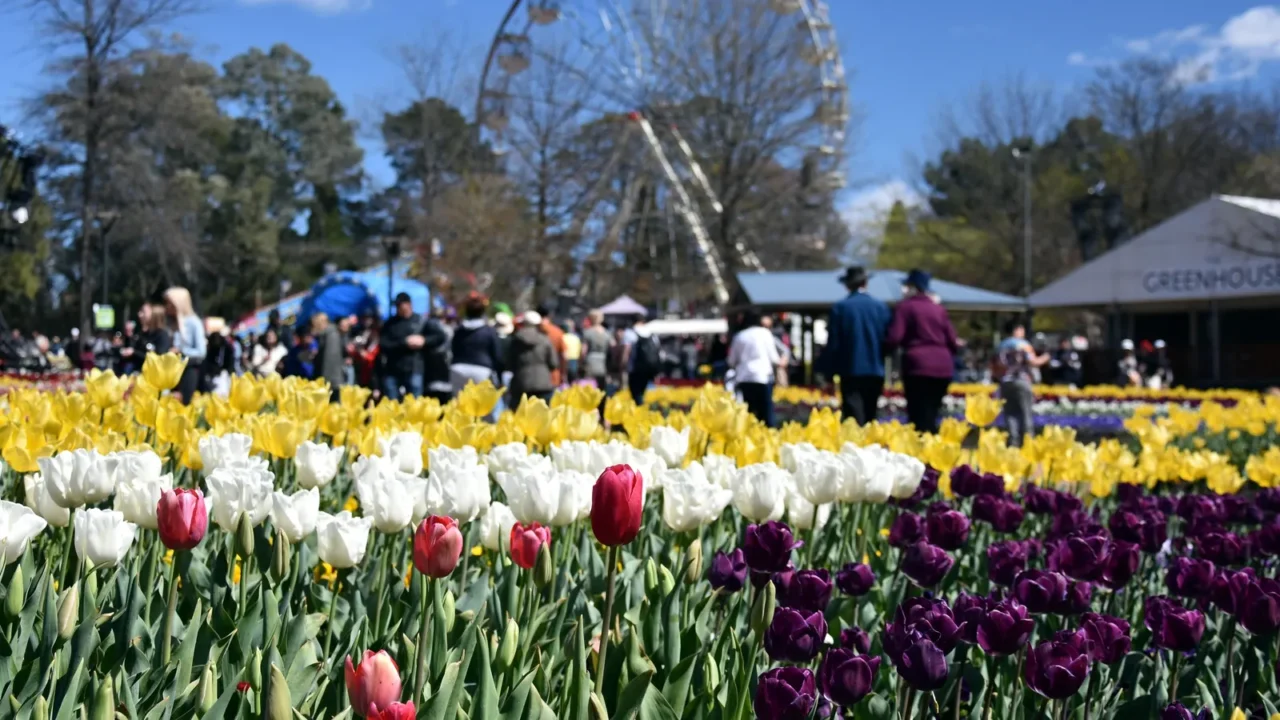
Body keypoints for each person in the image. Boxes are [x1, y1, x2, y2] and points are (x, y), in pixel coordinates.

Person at [885, 269, 958, 434]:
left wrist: (885, 349)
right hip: (942, 366)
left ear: (912, 287)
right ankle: (932, 444)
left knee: (918, 413)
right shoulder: (938, 309)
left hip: (918, 365)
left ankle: (921, 449)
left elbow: (895, 337)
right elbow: (953, 340)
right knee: (932, 411)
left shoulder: (905, 307)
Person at [817, 266, 891, 425]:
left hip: (850, 368)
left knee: (853, 414)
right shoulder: (880, 307)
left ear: (847, 285)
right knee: (871, 413)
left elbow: (834, 342)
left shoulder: (841, 307)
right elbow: (889, 339)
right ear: (866, 283)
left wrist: (829, 374)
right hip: (875, 368)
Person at [994, 318, 1050, 447]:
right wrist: (1045, 358)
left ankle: (1012, 441)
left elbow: (996, 365)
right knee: (1026, 412)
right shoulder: (1024, 344)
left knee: (1009, 413)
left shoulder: (1001, 346)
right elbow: (1033, 362)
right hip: (1022, 380)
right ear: (1017, 330)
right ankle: (1028, 442)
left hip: (1006, 382)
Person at [728, 309, 782, 427]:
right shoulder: (765, 333)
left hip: (745, 378)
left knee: (748, 413)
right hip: (763, 377)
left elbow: (731, 361)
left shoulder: (739, 336)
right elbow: (774, 358)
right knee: (766, 413)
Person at [450, 292, 504, 395]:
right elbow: (497, 356)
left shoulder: (458, 330)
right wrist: (500, 378)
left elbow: (453, 348)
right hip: (482, 371)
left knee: (459, 405)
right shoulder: (489, 331)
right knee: (482, 406)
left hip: (458, 369)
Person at [506, 311, 558, 405]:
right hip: (543, 382)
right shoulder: (544, 339)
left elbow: (510, 362)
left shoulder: (516, 339)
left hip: (521, 381)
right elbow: (553, 363)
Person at [164, 287, 206, 404]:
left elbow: (201, 351)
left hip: (188, 370)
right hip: (172, 371)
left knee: (183, 405)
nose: (167, 306)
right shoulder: (171, 323)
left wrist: (181, 351)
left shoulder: (194, 322)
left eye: (170, 303)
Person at [380, 293, 425, 400]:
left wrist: (424, 341)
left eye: (400, 305)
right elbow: (383, 344)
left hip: (414, 369)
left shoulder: (420, 321)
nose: (398, 308)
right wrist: (404, 343)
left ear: (409, 305)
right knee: (392, 402)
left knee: (414, 403)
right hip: (393, 369)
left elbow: (438, 337)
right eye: (397, 306)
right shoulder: (390, 323)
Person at [621, 314, 661, 404]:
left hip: (635, 368)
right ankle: (641, 407)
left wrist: (623, 363)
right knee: (642, 390)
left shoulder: (630, 332)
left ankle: (639, 410)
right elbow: (658, 350)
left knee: (635, 391)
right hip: (649, 367)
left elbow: (626, 350)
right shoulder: (652, 333)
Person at [313, 313, 347, 398]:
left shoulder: (331, 334)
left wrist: (326, 382)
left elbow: (330, 360)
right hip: (332, 380)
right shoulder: (328, 334)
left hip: (331, 382)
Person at [537, 303, 567, 387]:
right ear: (550, 314)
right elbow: (564, 356)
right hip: (552, 376)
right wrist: (563, 374)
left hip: (531, 378)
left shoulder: (529, 332)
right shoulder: (557, 332)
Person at [581, 311, 612, 390]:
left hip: (590, 362)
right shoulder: (607, 333)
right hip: (603, 362)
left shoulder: (587, 332)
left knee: (590, 388)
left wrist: (581, 363)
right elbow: (612, 347)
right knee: (602, 387)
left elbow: (583, 351)